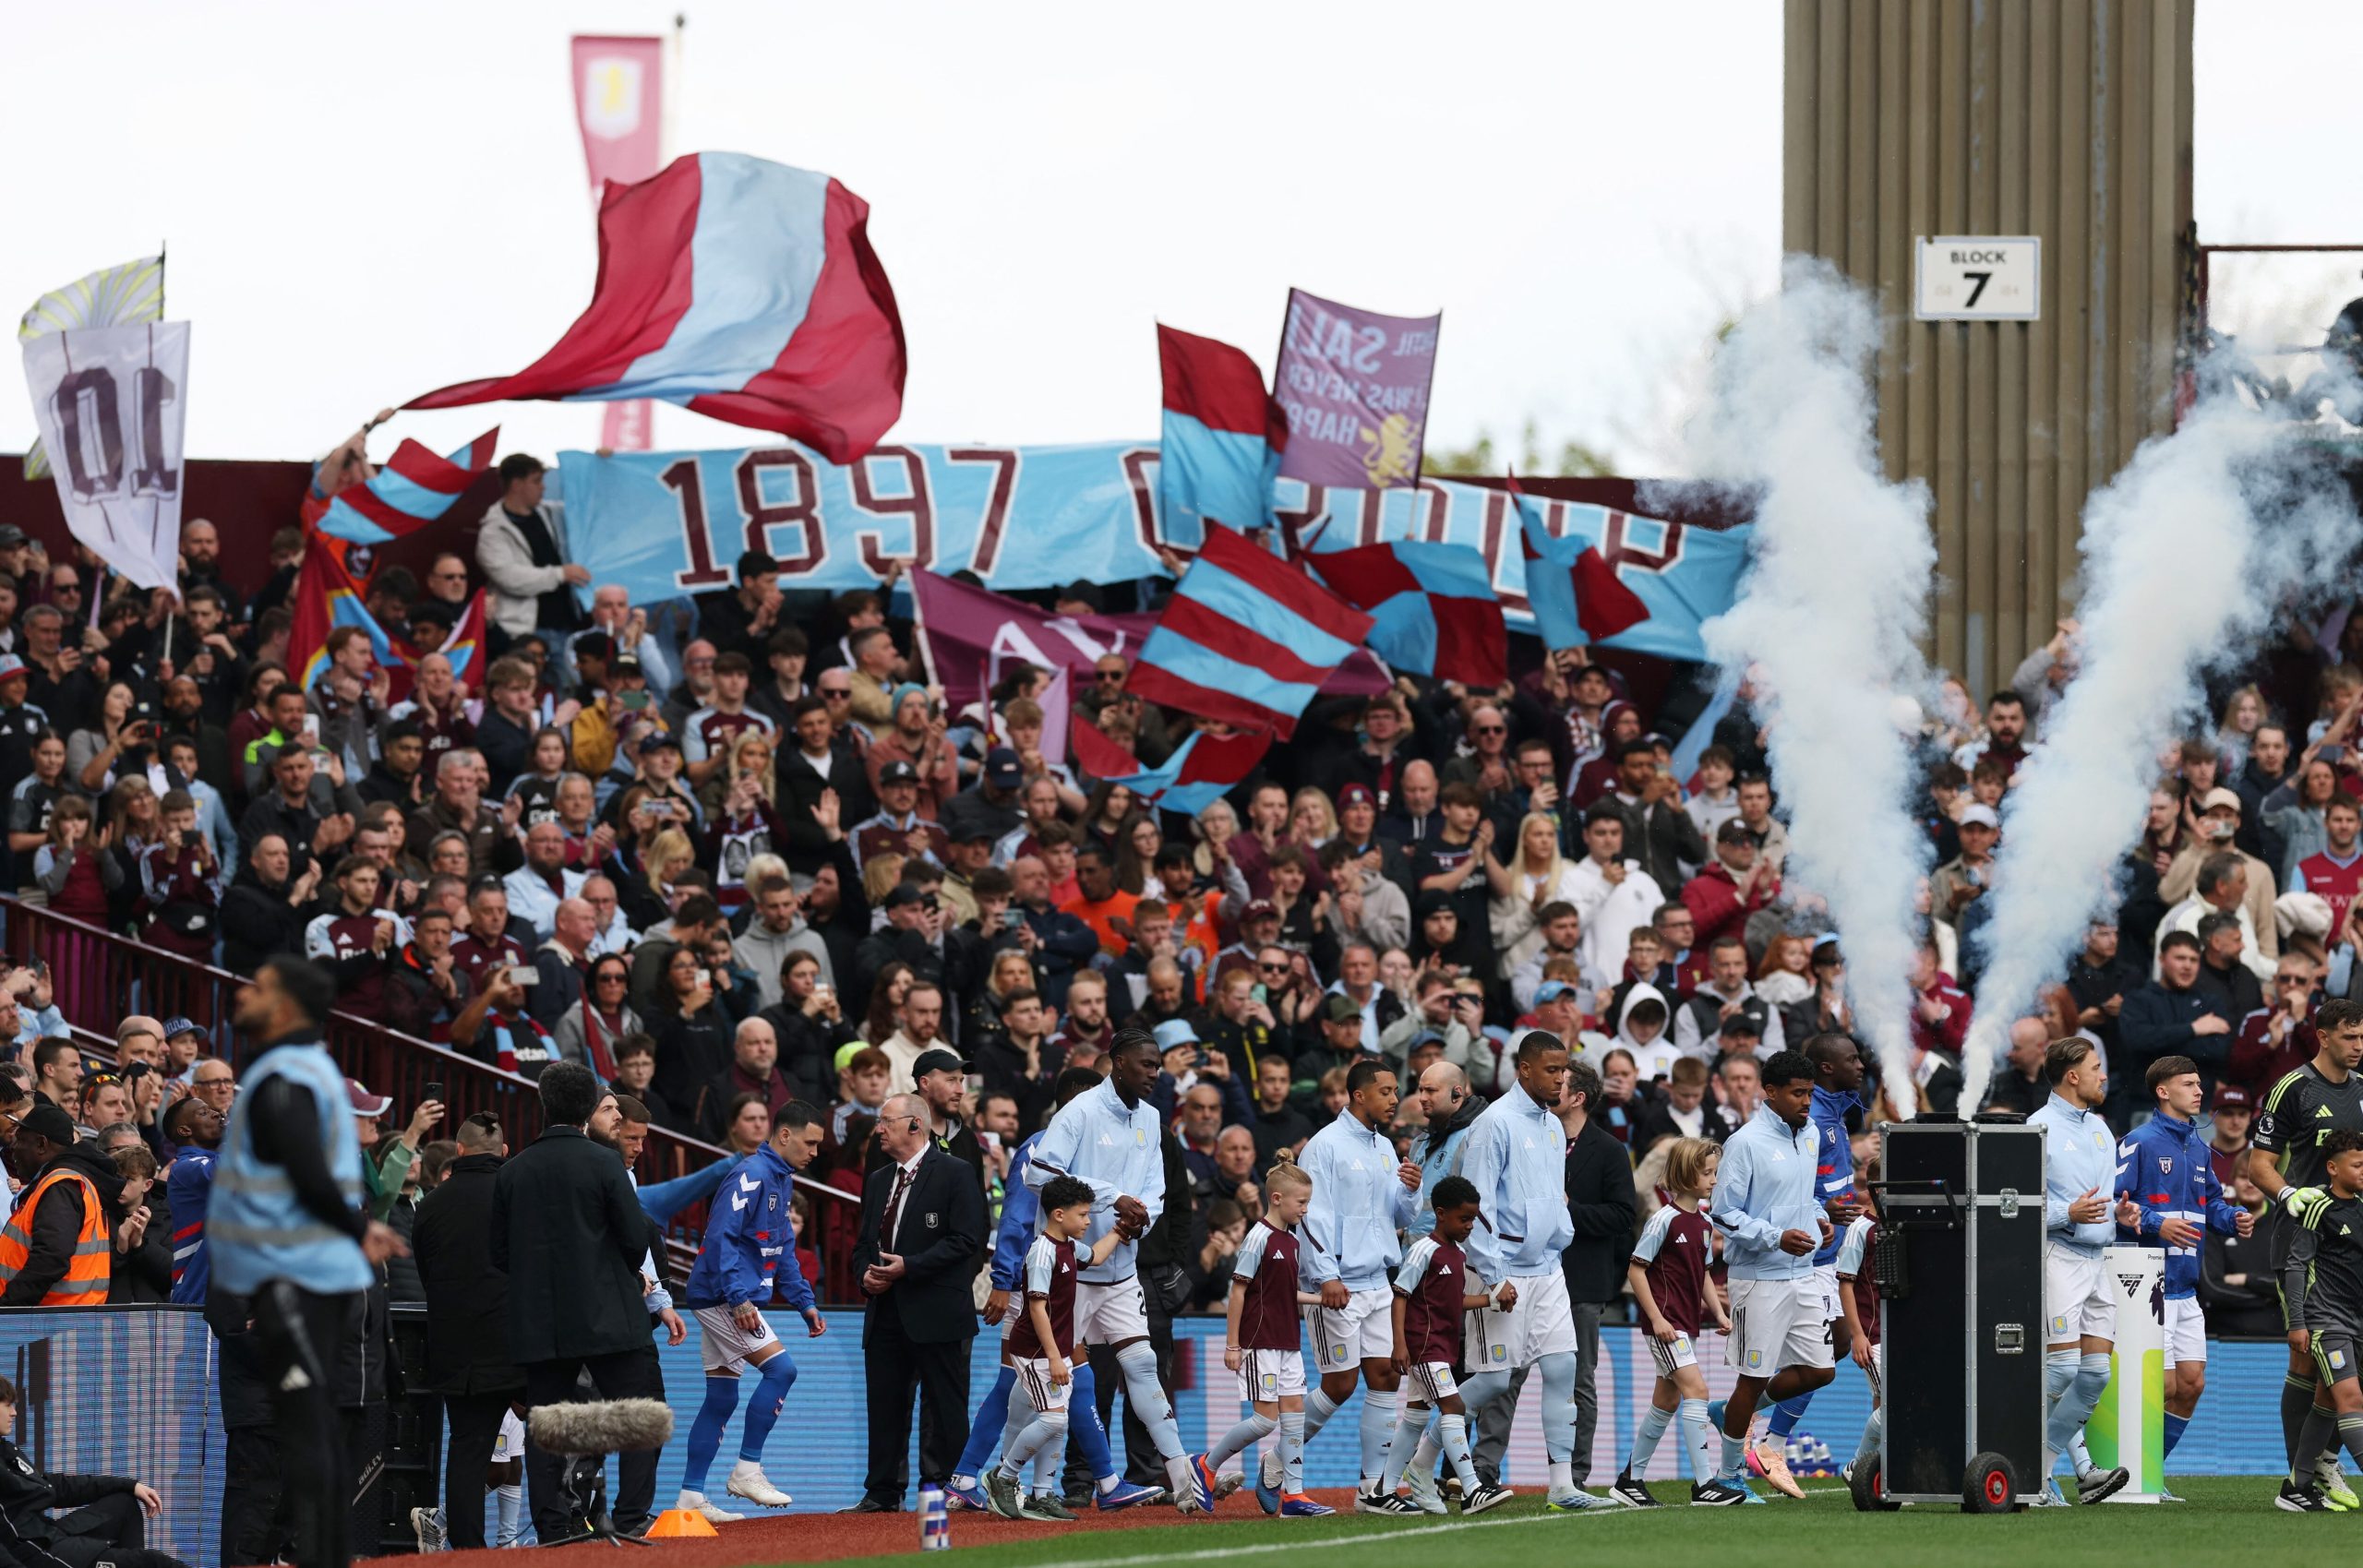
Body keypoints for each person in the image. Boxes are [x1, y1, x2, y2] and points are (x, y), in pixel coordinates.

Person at [212, 957, 406, 1568]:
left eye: (261, 987)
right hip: (302, 1274)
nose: (244, 993)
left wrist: (358, 1227)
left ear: (287, 1006)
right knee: (312, 1430)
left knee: (306, 1432)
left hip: (294, 1274)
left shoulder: (285, 1074)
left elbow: (302, 1163)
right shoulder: (306, 1067)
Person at [1020, 1031, 1204, 1512]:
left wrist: (1140, 1221)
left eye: (1158, 1065)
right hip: (1072, 1273)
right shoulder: (1079, 1112)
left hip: (1121, 1269)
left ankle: (1184, 1480)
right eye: (1146, 1064)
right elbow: (1038, 1174)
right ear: (1118, 1063)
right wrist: (1112, 1197)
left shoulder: (1152, 1118)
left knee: (1143, 1368)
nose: (1155, 1073)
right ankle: (1018, 1483)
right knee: (1044, 1387)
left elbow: (1157, 1191)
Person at [491, 1062, 670, 1541]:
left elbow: (498, 1253)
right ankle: (630, 1519)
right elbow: (635, 1238)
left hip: (542, 1321)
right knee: (639, 1412)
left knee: (546, 1424)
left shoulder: (513, 1171)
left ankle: (552, 1529)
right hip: (609, 1314)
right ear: (587, 1109)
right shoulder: (606, 1163)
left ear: (544, 1104)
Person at [1435, 1032, 1604, 1511]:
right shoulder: (1494, 1124)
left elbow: (1553, 1195)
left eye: (1564, 1070)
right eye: (1551, 1070)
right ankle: (1422, 1462)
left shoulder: (1551, 1125)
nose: (1560, 1079)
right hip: (1504, 1269)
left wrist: (1560, 1232)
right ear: (1524, 1069)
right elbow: (1477, 1204)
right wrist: (1493, 1275)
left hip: (1548, 1269)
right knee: (1492, 1382)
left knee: (1563, 1368)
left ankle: (1562, 1486)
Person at [675, 1100, 828, 1523]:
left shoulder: (780, 1178)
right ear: (785, 1135)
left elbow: (783, 1250)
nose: (815, 1152)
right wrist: (738, 1296)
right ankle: (747, 1470)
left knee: (721, 1397)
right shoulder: (751, 1174)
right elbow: (719, 1236)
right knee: (782, 1370)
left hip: (728, 1295)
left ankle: (690, 1496)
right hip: (723, 1297)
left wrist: (804, 1302)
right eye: (810, 1143)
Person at [1279, 1058, 1419, 1508]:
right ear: (1359, 1095)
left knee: (1386, 1377)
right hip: (1337, 1284)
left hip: (1378, 1280)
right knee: (1339, 1384)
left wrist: (1410, 1190)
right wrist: (1326, 1275)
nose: (1395, 1100)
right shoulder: (1324, 1146)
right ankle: (1277, 1461)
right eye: (1386, 1092)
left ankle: (1372, 1490)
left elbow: (1396, 1216)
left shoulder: (1383, 1147)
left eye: (1395, 1091)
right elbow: (1310, 1216)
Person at [1697, 1049, 1833, 1505]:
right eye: (1798, 1093)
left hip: (1802, 1272)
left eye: (1810, 1093)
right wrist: (1776, 1237)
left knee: (1821, 1371)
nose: (1806, 1102)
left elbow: (1804, 1194)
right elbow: (1722, 1213)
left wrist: (1819, 1218)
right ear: (1770, 1092)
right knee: (1752, 1378)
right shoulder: (1745, 1143)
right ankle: (1728, 1477)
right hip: (1758, 1278)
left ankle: (1730, 1413)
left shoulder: (1809, 1134)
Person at [2115, 1053, 2253, 1498]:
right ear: (2163, 1091)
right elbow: (2115, 1208)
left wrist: (2233, 1218)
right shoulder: (2138, 1142)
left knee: (2191, 1385)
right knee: (2166, 1384)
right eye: (2189, 1084)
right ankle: (2122, 1473)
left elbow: (2211, 1204)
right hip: (2146, 1285)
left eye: (2198, 1083)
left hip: (2186, 1287)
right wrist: (2158, 1224)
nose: (2199, 1091)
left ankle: (2147, 1474)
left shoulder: (2199, 1146)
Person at [846, 1092, 988, 1513]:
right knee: (884, 1405)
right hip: (885, 1310)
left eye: (885, 1121)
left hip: (938, 1309)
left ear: (915, 1125)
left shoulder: (956, 1172)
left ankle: (952, 1488)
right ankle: (882, 1492)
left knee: (946, 1406)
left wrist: (910, 1266)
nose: (878, 1129)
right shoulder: (878, 1180)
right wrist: (865, 1275)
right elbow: (863, 1244)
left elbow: (967, 1240)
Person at [2249, 996, 2363, 1506]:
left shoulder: (2362, 1090)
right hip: (2304, 1243)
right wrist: (2290, 1196)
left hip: (2353, 1245)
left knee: (2345, 1365)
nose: (2358, 1046)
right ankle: (2303, 1478)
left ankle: (2320, 1464)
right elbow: (2259, 1165)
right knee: (2306, 1360)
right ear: (2323, 1036)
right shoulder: (2293, 1088)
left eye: (2362, 1037)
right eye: (2349, 1037)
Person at [1751, 1033, 1865, 1494]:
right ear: (1826, 1067)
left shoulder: (1833, 1109)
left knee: (1831, 1351)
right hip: (1806, 1255)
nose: (1861, 1065)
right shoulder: (1809, 1116)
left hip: (1828, 1252)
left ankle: (1758, 1434)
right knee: (1822, 1354)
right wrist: (1824, 1208)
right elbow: (1793, 1184)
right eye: (1852, 1059)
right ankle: (1751, 1432)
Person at [979, 1173, 1130, 1520]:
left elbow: (1095, 1256)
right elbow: (1036, 1308)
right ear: (1059, 1215)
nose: (1088, 1221)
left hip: (1055, 1350)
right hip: (1034, 1352)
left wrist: (1119, 1231)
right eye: (1083, 1214)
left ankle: (1042, 1494)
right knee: (1053, 1420)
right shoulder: (1043, 1251)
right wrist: (1054, 1358)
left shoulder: (1068, 1246)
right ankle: (1003, 1477)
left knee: (1054, 1419)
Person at [1184, 1158, 1329, 1516]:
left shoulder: (1291, 1240)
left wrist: (1320, 1299)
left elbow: (1282, 1292)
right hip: (1259, 1341)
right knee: (1265, 1421)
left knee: (1294, 1417)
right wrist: (1232, 1344)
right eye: (1301, 1202)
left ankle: (1294, 1496)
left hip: (1289, 1341)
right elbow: (1238, 1292)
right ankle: (1205, 1464)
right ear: (1277, 1198)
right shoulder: (1258, 1237)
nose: (1305, 1209)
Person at [1362, 1174, 1512, 1517]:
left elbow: (1453, 1302)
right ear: (1441, 1214)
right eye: (1464, 1218)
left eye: (1473, 1219)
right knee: (1454, 1406)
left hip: (1441, 1348)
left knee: (1415, 1417)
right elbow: (1400, 1295)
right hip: (1424, 1348)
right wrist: (1399, 1345)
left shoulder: (1457, 1255)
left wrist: (1490, 1300)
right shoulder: (1423, 1251)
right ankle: (1473, 1489)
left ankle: (1382, 1492)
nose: (1470, 1225)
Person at [409, 1113, 526, 1551]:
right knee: (551, 1442)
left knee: (467, 1451)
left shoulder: (431, 1204)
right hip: (518, 1346)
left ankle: (467, 1553)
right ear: (505, 1152)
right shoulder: (518, 1196)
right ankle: (562, 1535)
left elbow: (426, 1274)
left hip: (457, 1350)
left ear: (458, 1151)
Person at [2025, 1036, 2132, 1506]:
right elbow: (2014, 1204)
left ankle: (2040, 1471)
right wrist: (2067, 1213)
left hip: (2097, 1260)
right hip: (2057, 1257)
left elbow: (2101, 1202)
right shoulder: (2038, 1128)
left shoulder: (2102, 1130)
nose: (2103, 1075)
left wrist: (2120, 1216)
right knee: (2063, 1369)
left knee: (2094, 1375)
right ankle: (2016, 1458)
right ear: (2072, 1076)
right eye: (2095, 1067)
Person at [1612, 1138, 1730, 1507]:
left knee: (1665, 1403)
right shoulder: (1663, 1220)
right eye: (1707, 1173)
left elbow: (1704, 1274)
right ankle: (1705, 1485)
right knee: (1698, 1392)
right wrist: (1657, 1318)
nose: (1713, 1180)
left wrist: (1719, 1313)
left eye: (1714, 1172)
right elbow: (1636, 1270)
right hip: (1667, 1327)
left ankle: (1629, 1481)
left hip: (1685, 1324)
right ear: (1684, 1174)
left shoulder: (1705, 1222)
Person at [0, 1371, 188, 1568]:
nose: (14, 1412)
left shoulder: (7, 1450)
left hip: (49, 1534)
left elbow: (58, 1487)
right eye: (7, 1405)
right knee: (152, 1562)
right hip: (36, 1554)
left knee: (124, 1504)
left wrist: (130, 1485)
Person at [2276, 1128, 2363, 1510]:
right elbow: (2296, 1266)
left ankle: (2296, 1486)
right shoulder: (2318, 1208)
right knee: (2350, 1398)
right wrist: (2298, 1322)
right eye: (2357, 1165)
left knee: (2327, 1401)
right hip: (2327, 1319)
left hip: (2357, 1320)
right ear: (2332, 1168)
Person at [0, 1103, 120, 1304]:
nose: (13, 1147)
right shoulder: (65, 1182)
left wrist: (8, 1306)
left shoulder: (61, 1185)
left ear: (41, 1144)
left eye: (20, 1140)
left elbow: (50, 1258)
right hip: (58, 1315)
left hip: (51, 1317)